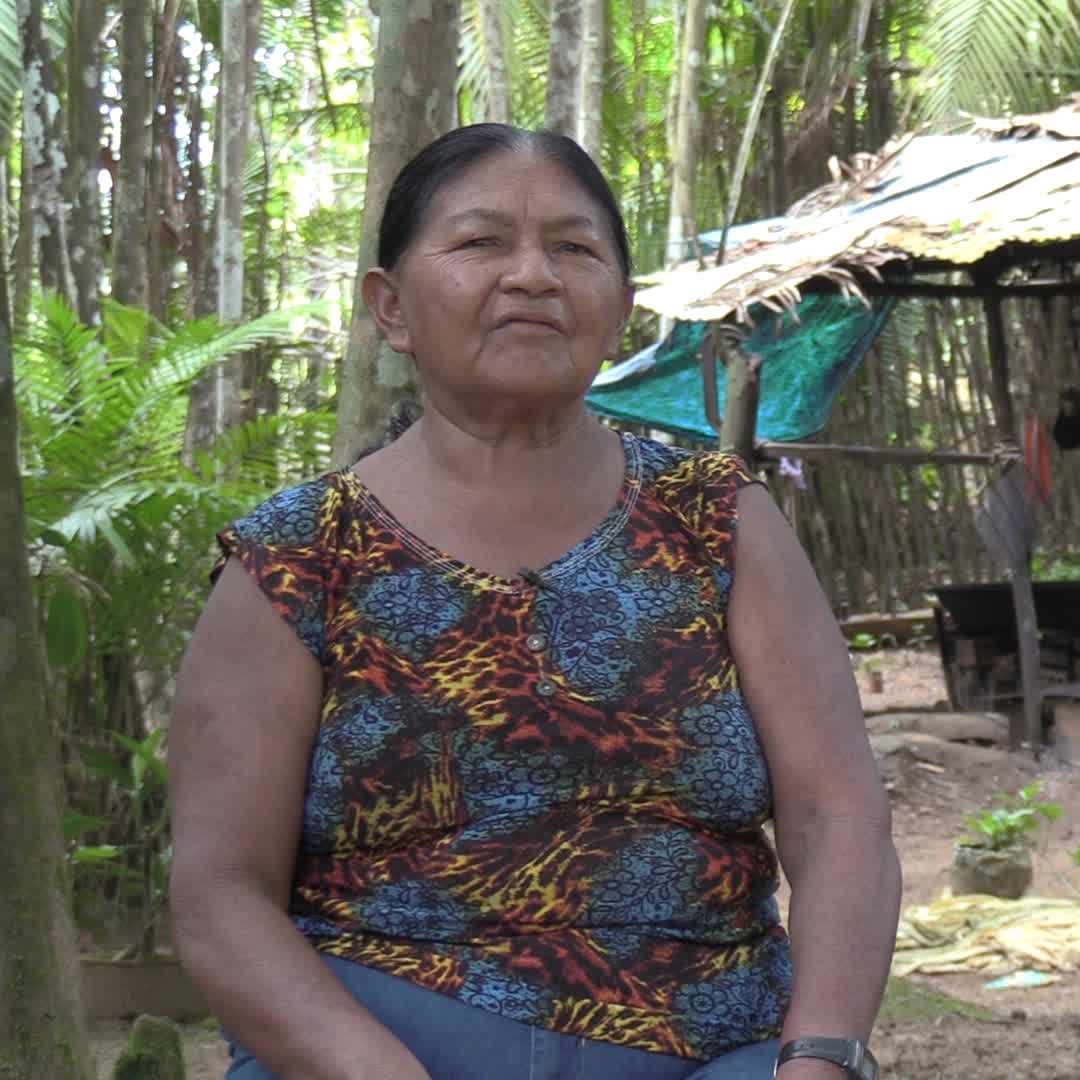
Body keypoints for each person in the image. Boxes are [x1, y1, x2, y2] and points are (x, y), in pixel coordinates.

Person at [168, 124, 902, 1080]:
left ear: (620, 306)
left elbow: (839, 815)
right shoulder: (298, 556)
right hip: (371, 1045)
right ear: (390, 307)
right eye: (480, 244)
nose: (532, 277)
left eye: (574, 248)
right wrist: (371, 1071)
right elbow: (220, 891)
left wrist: (818, 1061)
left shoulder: (719, 520)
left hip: (711, 1050)